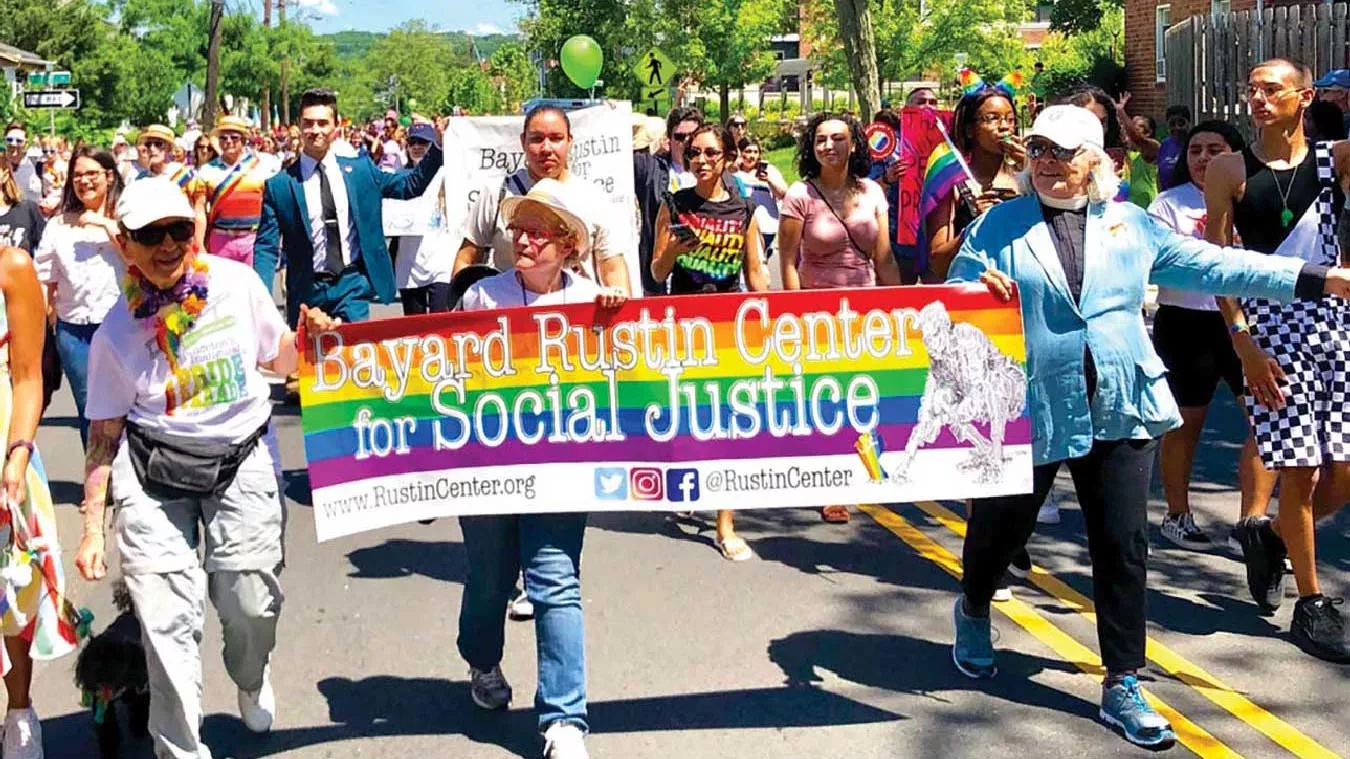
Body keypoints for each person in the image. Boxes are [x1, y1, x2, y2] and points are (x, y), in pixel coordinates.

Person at [947, 104, 1350, 745]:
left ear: (1096, 162)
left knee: (1123, 546)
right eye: (1038, 151)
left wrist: (1317, 278)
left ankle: (1122, 682)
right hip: (1033, 406)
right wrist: (976, 288)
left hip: (1121, 404)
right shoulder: (1000, 225)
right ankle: (973, 606)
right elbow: (952, 299)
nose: (1047, 163)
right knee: (1000, 529)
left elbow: (1219, 265)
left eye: (1062, 152)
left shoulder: (1130, 224)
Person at [73, 177, 337, 759]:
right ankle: (183, 750)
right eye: (150, 235)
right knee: (164, 624)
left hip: (239, 459)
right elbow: (104, 434)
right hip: (152, 473)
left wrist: (308, 339)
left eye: (179, 231)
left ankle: (249, 674)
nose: (168, 246)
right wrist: (94, 526)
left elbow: (280, 359)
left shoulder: (236, 285)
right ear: (125, 244)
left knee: (249, 605)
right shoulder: (116, 331)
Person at [455, 178, 626, 759]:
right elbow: (443, 372)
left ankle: (564, 720)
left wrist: (614, 323)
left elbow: (627, 377)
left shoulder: (593, 302)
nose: (524, 241)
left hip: (560, 467)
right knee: (489, 583)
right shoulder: (483, 298)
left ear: (568, 245)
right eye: (519, 230)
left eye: (539, 232)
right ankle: (482, 659)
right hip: (488, 468)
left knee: (556, 582)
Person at [1204, 58, 1350, 663]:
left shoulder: (1335, 160)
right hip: (1270, 330)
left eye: (1273, 90)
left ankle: (1272, 541)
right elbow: (1216, 265)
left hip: (1335, 326)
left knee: (1343, 469)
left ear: (1305, 96)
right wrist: (1242, 341)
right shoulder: (1229, 169)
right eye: (1253, 90)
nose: (1259, 99)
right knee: (1301, 469)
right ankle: (1312, 603)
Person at [1148, 121, 1276, 550]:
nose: (1203, 158)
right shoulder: (1169, 205)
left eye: (1215, 149)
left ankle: (1251, 524)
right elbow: (1161, 262)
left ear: (1235, 154)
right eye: (1195, 151)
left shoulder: (1256, 197)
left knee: (1266, 419)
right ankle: (1177, 514)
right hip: (1186, 322)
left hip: (1247, 321)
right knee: (1187, 422)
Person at [651, 125, 770, 560]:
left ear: (728, 158)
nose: (701, 160)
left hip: (727, 329)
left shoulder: (746, 210)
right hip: (682, 328)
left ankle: (725, 524)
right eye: (694, 151)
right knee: (688, 418)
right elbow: (658, 272)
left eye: (711, 153)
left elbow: (755, 272)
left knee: (727, 425)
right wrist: (675, 251)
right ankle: (685, 478)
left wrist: (769, 317)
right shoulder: (674, 205)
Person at [778, 112, 902, 524]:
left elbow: (883, 256)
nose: (829, 146)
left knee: (865, 395)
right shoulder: (800, 195)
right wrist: (794, 313)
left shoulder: (871, 193)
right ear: (811, 148)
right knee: (829, 399)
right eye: (820, 140)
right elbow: (789, 261)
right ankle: (830, 486)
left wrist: (901, 306)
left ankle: (867, 468)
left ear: (854, 144)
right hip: (818, 313)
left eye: (838, 138)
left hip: (866, 312)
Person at [253, 88, 444, 327]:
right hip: (307, 290)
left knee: (352, 357)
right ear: (299, 126)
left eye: (323, 123)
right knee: (309, 362)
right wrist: (259, 298)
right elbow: (267, 248)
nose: (315, 130)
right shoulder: (280, 186)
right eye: (309, 123)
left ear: (335, 127)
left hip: (351, 285)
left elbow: (409, 186)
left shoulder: (361, 171)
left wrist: (437, 147)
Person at [0, 236, 80, 759]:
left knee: (12, 591)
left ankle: (20, 709)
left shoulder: (12, 267)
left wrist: (19, 451)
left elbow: (29, 377)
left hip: (4, 446)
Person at [454, 106, 631, 295]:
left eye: (556, 138)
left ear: (570, 141)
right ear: (523, 141)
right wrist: (460, 312)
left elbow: (612, 268)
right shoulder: (497, 193)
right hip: (511, 317)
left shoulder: (594, 198)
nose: (546, 148)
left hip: (578, 319)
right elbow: (467, 259)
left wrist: (625, 315)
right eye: (537, 139)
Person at [33, 147, 125, 447]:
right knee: (91, 410)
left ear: (109, 177)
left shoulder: (127, 215)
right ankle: (98, 485)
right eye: (77, 175)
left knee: (130, 407)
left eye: (91, 174)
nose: (84, 181)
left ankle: (131, 480)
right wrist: (39, 334)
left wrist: (105, 224)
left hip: (125, 328)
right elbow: (44, 281)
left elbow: (140, 258)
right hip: (75, 333)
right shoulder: (58, 226)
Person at [923, 81, 1023, 281]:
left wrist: (1031, 169)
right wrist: (977, 224)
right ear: (970, 130)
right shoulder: (952, 183)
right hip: (973, 293)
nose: (1004, 127)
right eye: (992, 119)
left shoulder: (1027, 179)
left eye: (1010, 120)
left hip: (1023, 293)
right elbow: (938, 263)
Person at [634, 107, 704, 294]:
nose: (687, 142)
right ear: (669, 138)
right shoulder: (650, 168)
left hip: (702, 272)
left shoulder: (716, 174)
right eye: (680, 137)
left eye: (693, 136)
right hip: (661, 273)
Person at [196, 115, 280, 268]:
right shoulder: (207, 171)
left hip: (253, 239)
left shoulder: (262, 166)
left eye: (234, 137)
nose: (228, 141)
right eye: (223, 137)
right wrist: (199, 244)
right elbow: (199, 209)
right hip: (220, 239)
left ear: (243, 140)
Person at [394, 122, 454, 315]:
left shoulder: (448, 174)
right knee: (415, 330)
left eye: (423, 142)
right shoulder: (398, 178)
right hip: (409, 264)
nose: (417, 147)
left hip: (441, 261)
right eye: (413, 142)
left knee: (441, 325)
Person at [133, 124, 207, 250]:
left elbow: (199, 212)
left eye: (158, 144)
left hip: (183, 239)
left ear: (169, 148)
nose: (152, 149)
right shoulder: (140, 179)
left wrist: (199, 244)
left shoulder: (187, 176)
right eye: (148, 144)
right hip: (153, 241)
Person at [733, 136, 787, 256]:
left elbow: (783, 193)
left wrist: (769, 180)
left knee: (758, 263)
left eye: (755, 152)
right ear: (740, 153)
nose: (752, 156)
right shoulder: (734, 173)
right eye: (748, 151)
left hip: (765, 225)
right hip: (739, 226)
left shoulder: (770, 171)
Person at [1114, 93, 1161, 208]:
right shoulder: (1131, 151)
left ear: (1148, 133)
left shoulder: (1152, 147)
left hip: (1148, 204)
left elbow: (1136, 137)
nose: (1130, 128)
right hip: (1131, 203)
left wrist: (1121, 111)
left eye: (1136, 126)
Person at [2, 124, 41, 206]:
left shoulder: (35, 163)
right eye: (9, 139)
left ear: (25, 143)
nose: (13, 144)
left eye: (19, 141)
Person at [1156, 105, 1192, 190]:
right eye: (1172, 124)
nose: (1177, 128)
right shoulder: (1165, 144)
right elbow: (1159, 173)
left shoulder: (1194, 144)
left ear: (1189, 123)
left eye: (1181, 123)